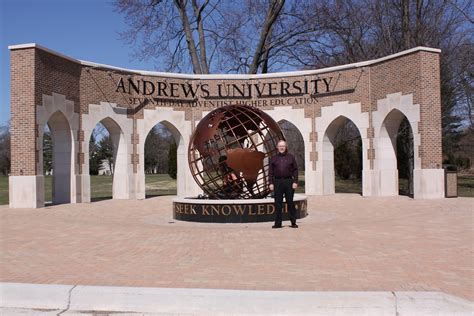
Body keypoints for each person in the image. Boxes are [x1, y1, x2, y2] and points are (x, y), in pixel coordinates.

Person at [268, 140, 298, 228]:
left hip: (289, 182)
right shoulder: (273, 158)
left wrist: (295, 181)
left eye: (283, 146)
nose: (281, 148)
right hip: (277, 182)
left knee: (290, 202)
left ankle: (293, 222)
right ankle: (278, 223)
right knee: (278, 203)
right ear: (277, 147)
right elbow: (270, 172)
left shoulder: (291, 157)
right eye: (280, 146)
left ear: (286, 147)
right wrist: (270, 183)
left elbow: (295, 170)